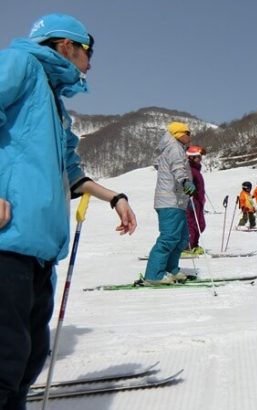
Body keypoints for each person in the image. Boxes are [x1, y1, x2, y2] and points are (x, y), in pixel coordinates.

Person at [0, 13, 137, 408]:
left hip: (37, 250)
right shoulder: (21, 63)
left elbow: (70, 172)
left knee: (28, 359)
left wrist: (115, 197)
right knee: (4, 360)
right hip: (6, 241)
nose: (91, 63)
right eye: (88, 52)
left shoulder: (54, 104)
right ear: (66, 46)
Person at [143, 122, 195, 285]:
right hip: (169, 201)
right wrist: (185, 182)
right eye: (187, 132)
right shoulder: (174, 147)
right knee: (169, 238)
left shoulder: (176, 147)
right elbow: (178, 169)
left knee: (181, 238)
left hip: (178, 201)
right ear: (178, 133)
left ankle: (171, 269)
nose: (189, 135)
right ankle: (154, 275)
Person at [185, 145, 206, 255]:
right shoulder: (189, 170)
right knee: (192, 224)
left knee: (200, 224)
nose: (200, 159)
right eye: (197, 157)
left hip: (198, 202)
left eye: (200, 156)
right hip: (191, 201)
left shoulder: (196, 170)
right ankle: (186, 246)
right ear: (191, 158)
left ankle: (194, 245)